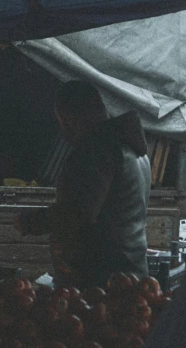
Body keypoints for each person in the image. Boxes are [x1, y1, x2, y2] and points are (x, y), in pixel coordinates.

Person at [13, 80, 150, 289]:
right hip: (129, 274)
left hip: (98, 283)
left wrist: (30, 221)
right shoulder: (133, 151)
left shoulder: (96, 151)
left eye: (61, 122)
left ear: (69, 119)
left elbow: (76, 213)